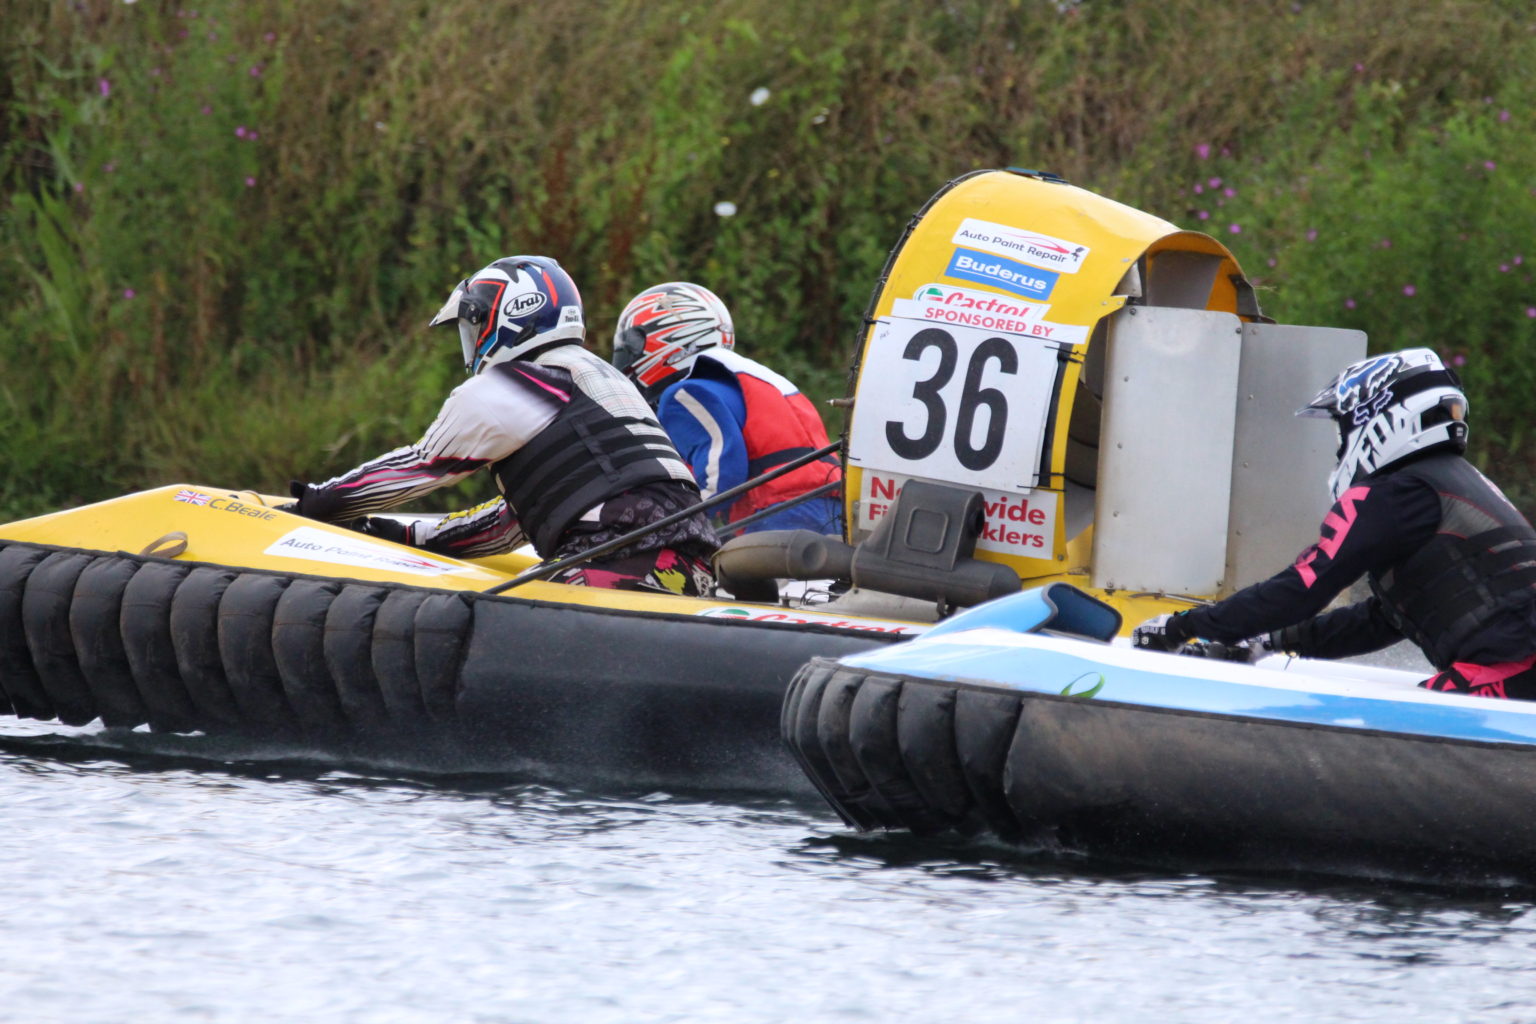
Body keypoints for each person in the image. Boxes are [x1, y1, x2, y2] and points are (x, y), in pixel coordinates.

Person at [287, 255, 718, 596]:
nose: (470, 345)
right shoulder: (599, 380)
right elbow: (511, 524)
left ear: (507, 317)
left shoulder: (523, 382)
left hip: (618, 555)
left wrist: (316, 506)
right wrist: (400, 534)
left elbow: (419, 466)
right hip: (687, 562)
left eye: (472, 326)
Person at [1133, 347, 1536, 700]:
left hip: (1516, 665)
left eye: (1342, 429)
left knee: (1392, 746)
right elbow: (1384, 620)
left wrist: (1182, 627)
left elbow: (1302, 588)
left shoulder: (1394, 492)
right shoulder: (1451, 482)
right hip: (1519, 661)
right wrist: (1271, 640)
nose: (1342, 445)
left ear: (1375, 417)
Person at [611, 281, 842, 536]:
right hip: (828, 509)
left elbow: (722, 471)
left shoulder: (683, 395)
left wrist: (676, 526)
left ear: (665, 339)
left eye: (631, 348)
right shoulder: (755, 381)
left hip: (778, 516)